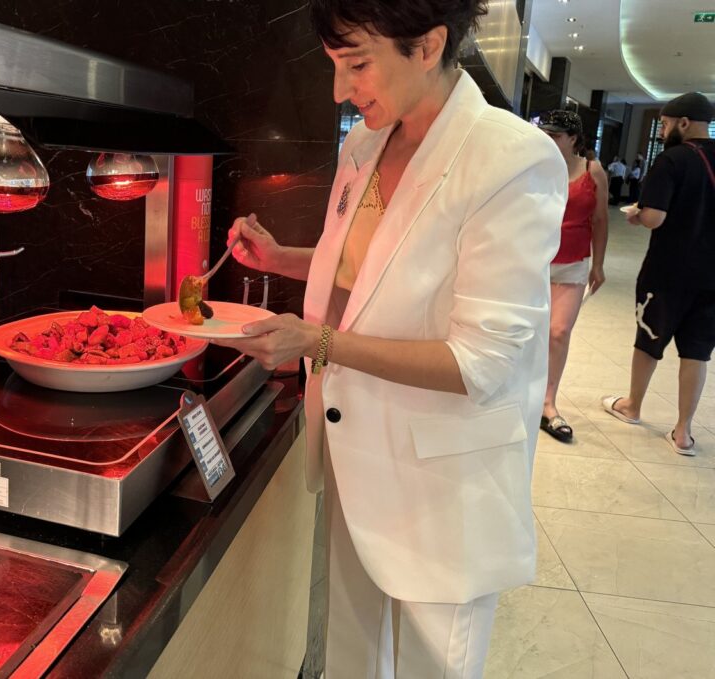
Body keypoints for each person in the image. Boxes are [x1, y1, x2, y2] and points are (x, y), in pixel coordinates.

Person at [214, 0, 567, 675]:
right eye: (333, 66)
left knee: (433, 663)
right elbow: (366, 270)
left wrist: (317, 343)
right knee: (352, 654)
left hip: (446, 480)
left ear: (429, 45)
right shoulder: (365, 144)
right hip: (358, 449)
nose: (342, 91)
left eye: (357, 65)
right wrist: (282, 256)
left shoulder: (510, 158)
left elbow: (480, 361)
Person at [603, 92, 715, 456]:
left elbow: (655, 217)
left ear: (683, 123)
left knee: (650, 338)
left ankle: (633, 406)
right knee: (697, 351)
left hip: (668, 272)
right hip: (711, 278)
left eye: (665, 124)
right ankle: (683, 432)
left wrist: (637, 215)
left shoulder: (672, 160)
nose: (664, 130)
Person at [537, 110, 609, 442]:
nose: (547, 140)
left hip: (573, 262)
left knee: (558, 332)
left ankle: (548, 403)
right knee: (525, 332)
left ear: (574, 140)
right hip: (533, 261)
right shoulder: (534, 165)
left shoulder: (593, 172)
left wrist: (598, 264)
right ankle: (522, 394)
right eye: (545, 133)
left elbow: (599, 220)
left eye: (555, 136)